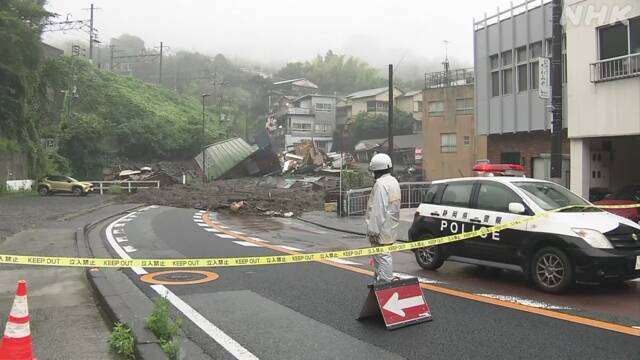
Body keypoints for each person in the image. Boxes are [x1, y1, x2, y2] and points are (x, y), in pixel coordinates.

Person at [365, 153, 401, 284]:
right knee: (384, 254)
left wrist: (373, 230)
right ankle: (382, 279)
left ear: (376, 169)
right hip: (391, 225)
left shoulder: (380, 184)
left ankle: (385, 281)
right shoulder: (393, 181)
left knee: (382, 255)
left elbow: (378, 210)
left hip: (381, 227)